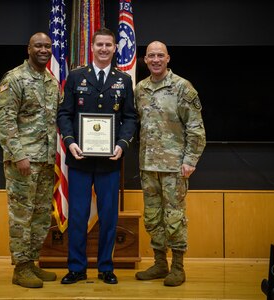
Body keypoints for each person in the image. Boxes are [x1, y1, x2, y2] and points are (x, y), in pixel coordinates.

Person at [57, 27, 137, 285]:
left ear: (115, 48)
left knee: (108, 217)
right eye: (99, 44)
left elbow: (130, 118)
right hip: (79, 160)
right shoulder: (76, 76)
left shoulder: (123, 80)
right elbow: (64, 114)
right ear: (92, 47)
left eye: (108, 45)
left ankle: (106, 267)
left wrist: (122, 144)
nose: (104, 49)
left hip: (110, 162)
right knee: (78, 216)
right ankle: (77, 268)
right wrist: (69, 142)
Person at [134, 41, 206, 286]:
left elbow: (196, 128)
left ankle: (177, 267)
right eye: (151, 55)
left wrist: (190, 161)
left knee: (174, 217)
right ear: (145, 59)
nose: (155, 59)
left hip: (175, 167)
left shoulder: (182, 87)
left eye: (159, 55)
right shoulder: (140, 89)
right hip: (148, 166)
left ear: (168, 58)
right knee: (153, 218)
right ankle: (159, 264)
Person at [0, 32, 60, 289]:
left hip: (45, 161)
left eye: (47, 46)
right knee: (22, 215)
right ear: (29, 49)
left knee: (41, 215)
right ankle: (20, 268)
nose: (43, 49)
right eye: (38, 46)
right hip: (23, 161)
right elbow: (6, 121)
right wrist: (19, 154)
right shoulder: (14, 78)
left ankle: (32, 262)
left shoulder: (51, 82)